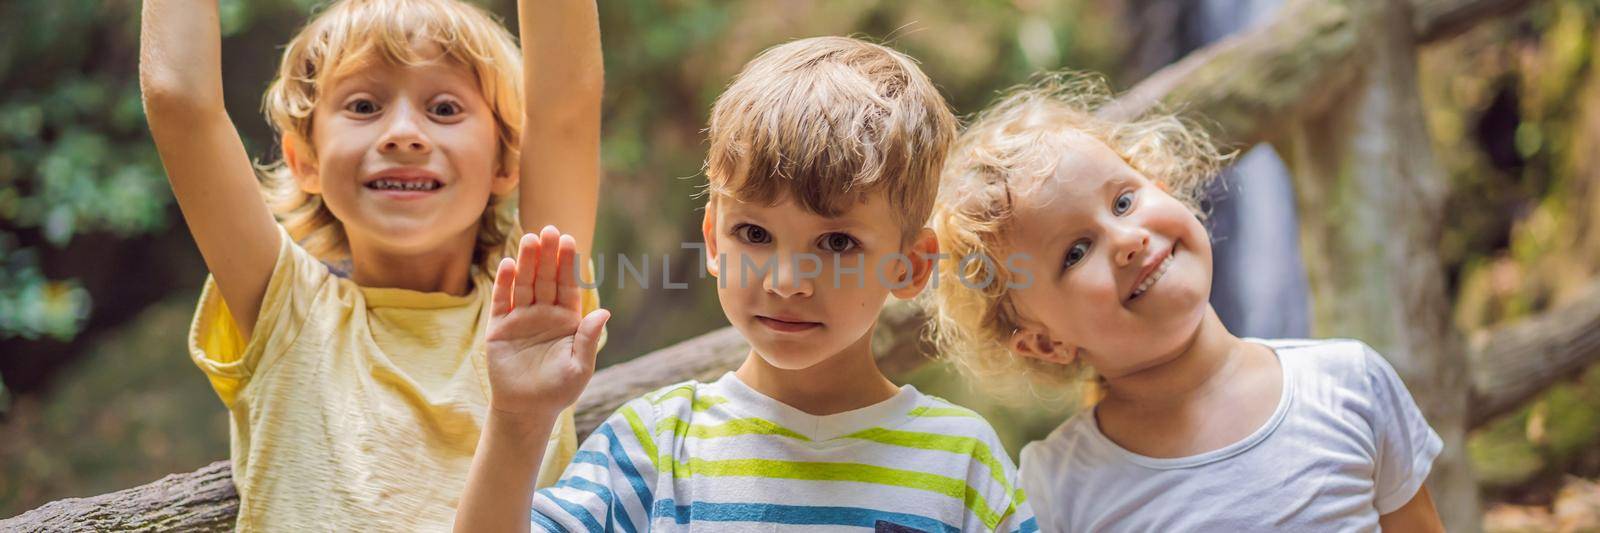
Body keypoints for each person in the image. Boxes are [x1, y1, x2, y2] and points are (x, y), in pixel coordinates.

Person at [456, 36, 1036, 532]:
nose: (786, 282)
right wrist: (519, 420)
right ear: (713, 240)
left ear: (910, 265)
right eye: (754, 233)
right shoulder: (653, 447)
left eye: (837, 243)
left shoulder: (963, 464)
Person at [137, 0, 603, 528]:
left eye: (444, 109)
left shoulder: (536, 298)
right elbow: (181, 103)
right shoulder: (284, 308)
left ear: (505, 161)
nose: (403, 133)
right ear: (304, 159)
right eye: (363, 107)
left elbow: (566, 107)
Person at [925, 73, 1445, 532]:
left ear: (1164, 185)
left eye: (1123, 201)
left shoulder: (1350, 383)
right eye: (1076, 252)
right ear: (1044, 342)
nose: (1127, 238)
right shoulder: (1057, 486)